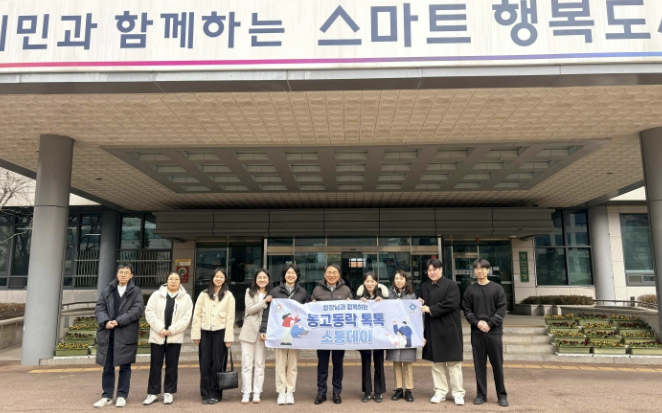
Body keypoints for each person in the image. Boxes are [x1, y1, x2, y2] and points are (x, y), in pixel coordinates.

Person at [93, 263, 144, 408]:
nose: (123, 275)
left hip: (126, 334)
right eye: (121, 272)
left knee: (125, 366)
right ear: (117, 274)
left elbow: (137, 310)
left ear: (131, 275)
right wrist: (105, 321)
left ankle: (122, 395)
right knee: (107, 367)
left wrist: (118, 321)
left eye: (126, 272)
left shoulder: (136, 292)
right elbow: (99, 308)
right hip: (108, 334)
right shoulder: (107, 290)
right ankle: (107, 396)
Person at [418, 258, 465, 406]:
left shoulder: (451, 285)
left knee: (454, 364)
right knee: (437, 364)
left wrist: (430, 309)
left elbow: (451, 303)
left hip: (450, 329)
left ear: (441, 269)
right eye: (429, 270)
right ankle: (440, 392)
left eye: (435, 269)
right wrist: (419, 302)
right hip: (432, 329)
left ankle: (458, 393)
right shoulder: (425, 286)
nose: (432, 272)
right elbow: (420, 303)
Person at [260, 264, 310, 405]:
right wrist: (263, 329)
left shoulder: (303, 292)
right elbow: (267, 312)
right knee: (280, 365)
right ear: (284, 275)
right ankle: (281, 392)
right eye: (288, 273)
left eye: (293, 273)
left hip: (295, 334)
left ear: (297, 275)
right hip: (278, 334)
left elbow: (308, 312)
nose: (291, 275)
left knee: (293, 365)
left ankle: (290, 392)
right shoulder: (275, 291)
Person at [462, 259, 508, 407]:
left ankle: (502, 395)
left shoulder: (497, 289)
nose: (479, 271)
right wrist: (477, 323)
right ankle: (481, 395)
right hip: (477, 333)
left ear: (488, 270)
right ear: (474, 271)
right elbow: (467, 310)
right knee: (479, 365)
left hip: (494, 332)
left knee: (497, 365)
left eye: (482, 268)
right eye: (477, 268)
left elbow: (501, 309)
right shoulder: (470, 290)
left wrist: (490, 324)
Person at [143, 272, 193, 406]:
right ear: (166, 281)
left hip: (174, 337)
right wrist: (160, 328)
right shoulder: (156, 295)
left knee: (172, 366)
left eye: (176, 279)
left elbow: (186, 318)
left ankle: (169, 392)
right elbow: (149, 312)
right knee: (155, 366)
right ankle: (152, 393)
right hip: (157, 335)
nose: (173, 281)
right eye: (171, 279)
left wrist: (172, 330)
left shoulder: (186, 298)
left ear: (180, 282)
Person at [191, 268, 235, 405]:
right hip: (205, 332)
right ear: (212, 278)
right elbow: (197, 315)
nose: (218, 279)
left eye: (221, 277)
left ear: (225, 279)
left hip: (220, 332)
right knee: (205, 364)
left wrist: (228, 338)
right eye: (216, 276)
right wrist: (196, 334)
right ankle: (205, 393)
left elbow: (230, 318)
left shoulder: (228, 296)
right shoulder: (204, 294)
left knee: (217, 364)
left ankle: (215, 393)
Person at [311, 263, 353, 405]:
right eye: (329, 272)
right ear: (324, 274)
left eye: (334, 272)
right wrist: (312, 304)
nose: (332, 275)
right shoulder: (317, 290)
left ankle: (336, 392)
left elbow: (352, 312)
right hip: (322, 335)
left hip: (339, 335)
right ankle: (321, 393)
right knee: (322, 365)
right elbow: (310, 311)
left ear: (339, 275)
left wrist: (350, 303)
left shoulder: (346, 290)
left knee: (338, 364)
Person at [239, 268, 273, 404]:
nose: (262, 280)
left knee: (260, 364)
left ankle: (257, 392)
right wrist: (264, 302)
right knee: (246, 364)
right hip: (248, 332)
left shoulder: (272, 293)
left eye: (265, 277)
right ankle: (246, 392)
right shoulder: (249, 292)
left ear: (268, 280)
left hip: (263, 333)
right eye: (260, 277)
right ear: (255, 279)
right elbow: (249, 310)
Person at [386, 270, 417, 402]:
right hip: (395, 333)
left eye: (401, 278)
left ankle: (408, 390)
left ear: (406, 280)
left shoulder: (411, 295)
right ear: (394, 280)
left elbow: (416, 315)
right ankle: (398, 389)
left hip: (408, 335)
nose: (399, 281)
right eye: (397, 278)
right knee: (396, 364)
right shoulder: (388, 295)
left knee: (408, 364)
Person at [358, 272, 387, 403]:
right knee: (365, 364)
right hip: (365, 335)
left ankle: (378, 392)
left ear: (376, 282)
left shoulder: (383, 296)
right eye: (367, 281)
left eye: (372, 281)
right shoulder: (359, 297)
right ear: (364, 283)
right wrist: (359, 303)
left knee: (379, 363)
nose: (370, 284)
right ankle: (367, 391)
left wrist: (382, 302)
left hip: (379, 336)